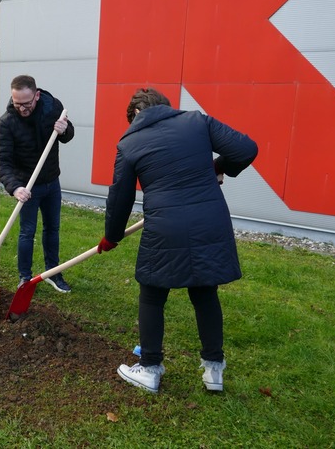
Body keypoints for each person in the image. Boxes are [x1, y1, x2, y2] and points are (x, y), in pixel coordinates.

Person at [97, 87, 258, 393]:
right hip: (210, 221)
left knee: (153, 294)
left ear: (133, 115)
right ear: (167, 107)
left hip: (166, 227)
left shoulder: (129, 142)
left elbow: (120, 197)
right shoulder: (197, 121)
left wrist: (112, 236)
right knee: (205, 291)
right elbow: (246, 149)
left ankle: (150, 369)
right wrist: (218, 167)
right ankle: (214, 372)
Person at [0, 75, 75, 292]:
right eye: (17, 104)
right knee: (27, 232)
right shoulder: (7, 123)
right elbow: (3, 162)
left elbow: (68, 135)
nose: (22, 108)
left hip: (51, 181)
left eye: (27, 103)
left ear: (37, 95)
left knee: (52, 228)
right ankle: (25, 278)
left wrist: (65, 129)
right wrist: (15, 188)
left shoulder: (53, 108)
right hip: (27, 186)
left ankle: (53, 272)